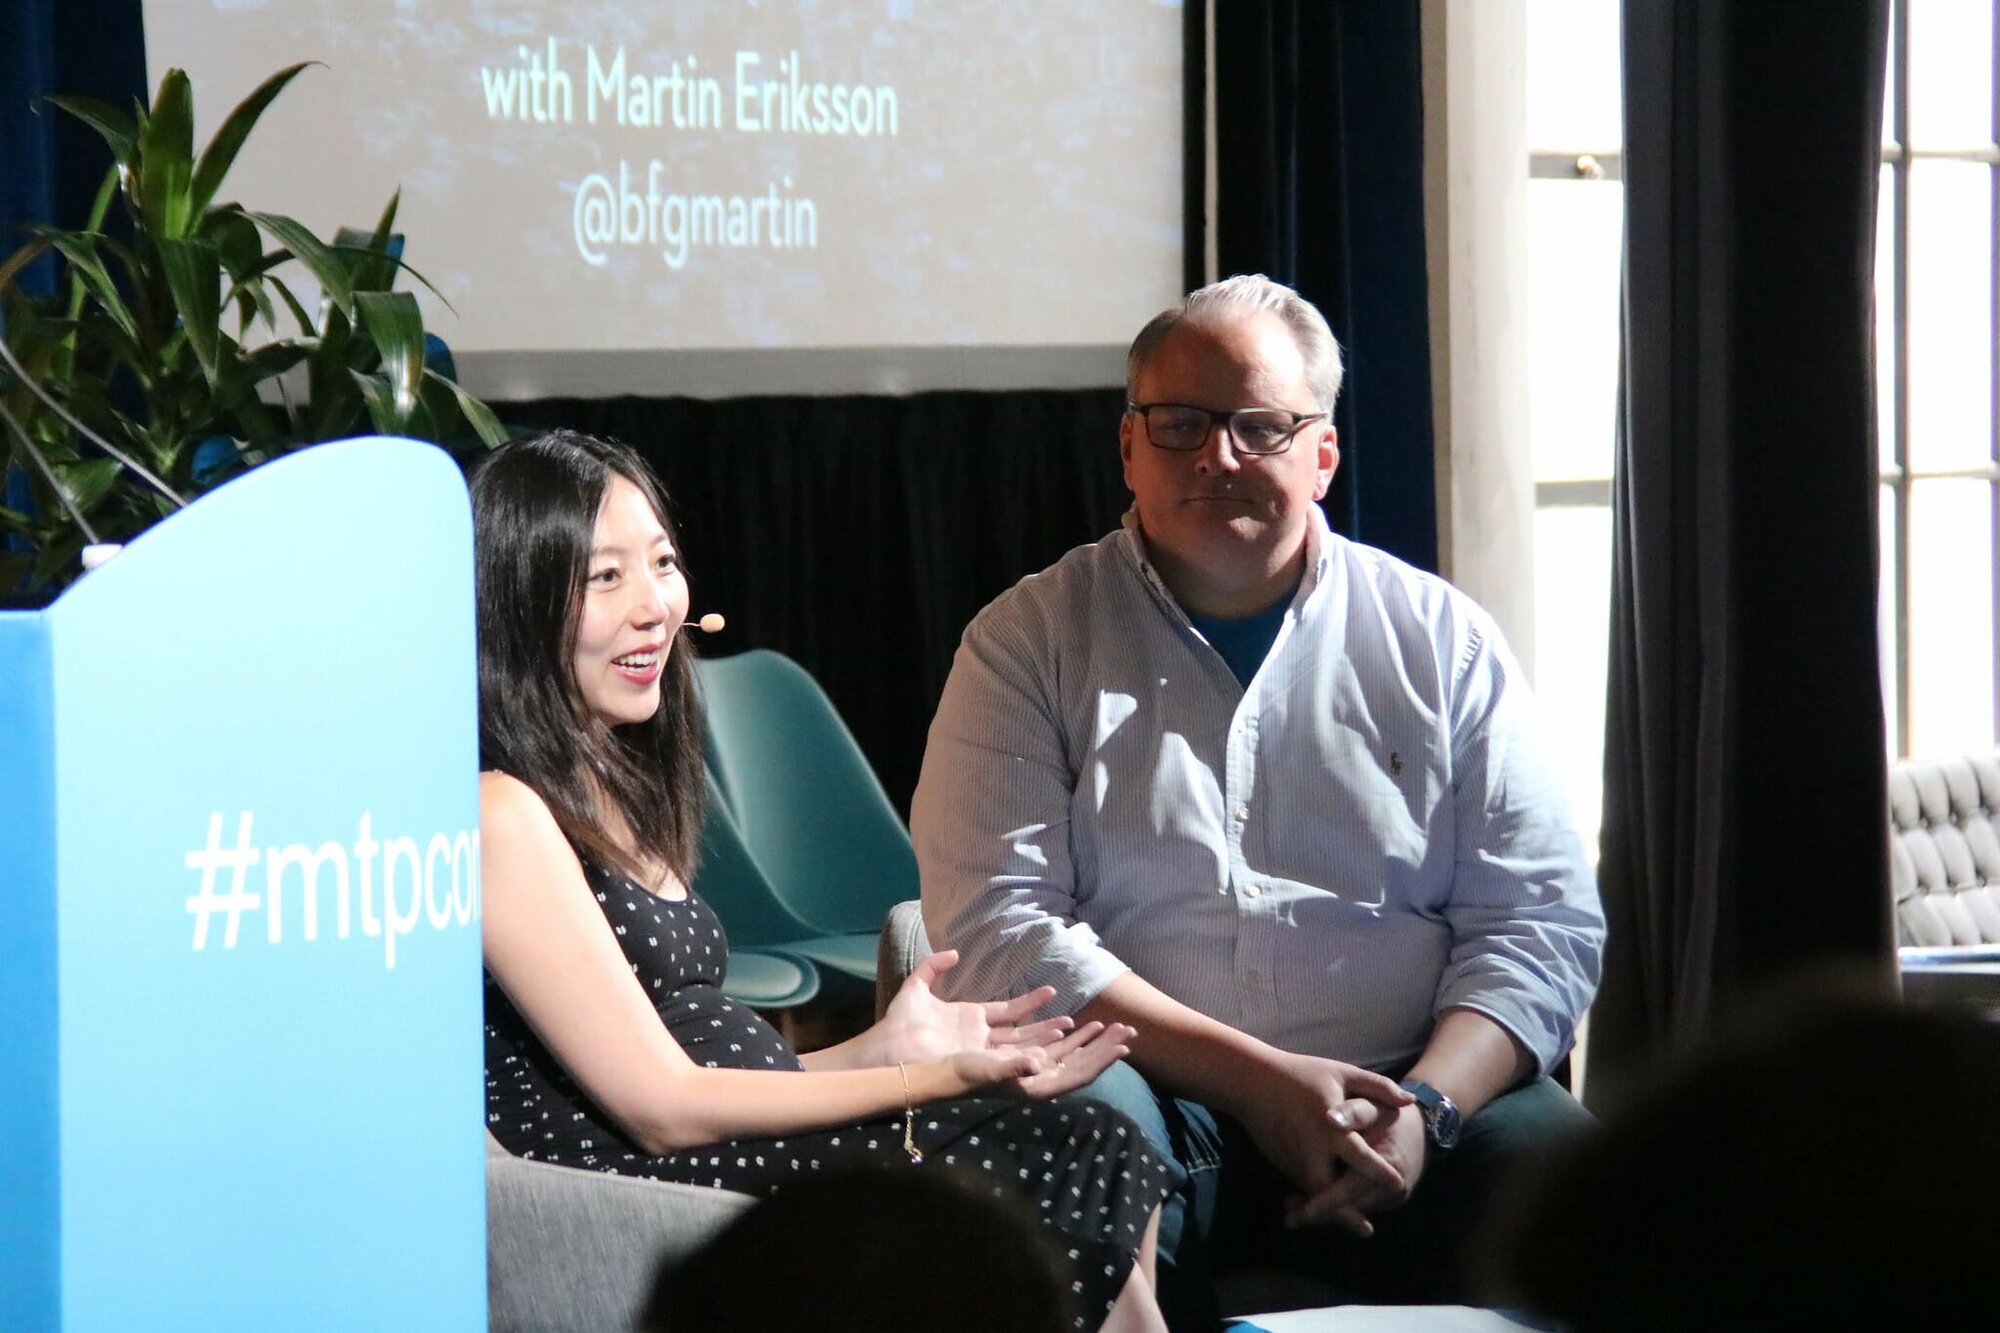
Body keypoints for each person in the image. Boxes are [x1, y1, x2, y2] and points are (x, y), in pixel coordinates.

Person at [911, 276, 1606, 1317]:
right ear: (1129, 446)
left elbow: (1539, 920)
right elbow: (999, 930)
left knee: (1601, 1203)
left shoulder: (1442, 641)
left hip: (1409, 1095)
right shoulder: (1027, 642)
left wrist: (1426, 1106)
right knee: (1062, 1149)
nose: (1217, 456)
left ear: (1321, 454)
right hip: (1149, 1091)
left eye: (1259, 426)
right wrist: (1258, 1081)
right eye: (1180, 424)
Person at [473, 430, 1175, 1332]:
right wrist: (930, 1080)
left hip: (712, 1147)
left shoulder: (610, 779)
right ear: (518, 600)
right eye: (605, 576)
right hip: (631, 1182)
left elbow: (698, 1065)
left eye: (662, 563)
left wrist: (878, 1051)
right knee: (1047, 1166)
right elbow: (662, 1106)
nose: (654, 606)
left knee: (1096, 1143)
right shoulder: (500, 810)